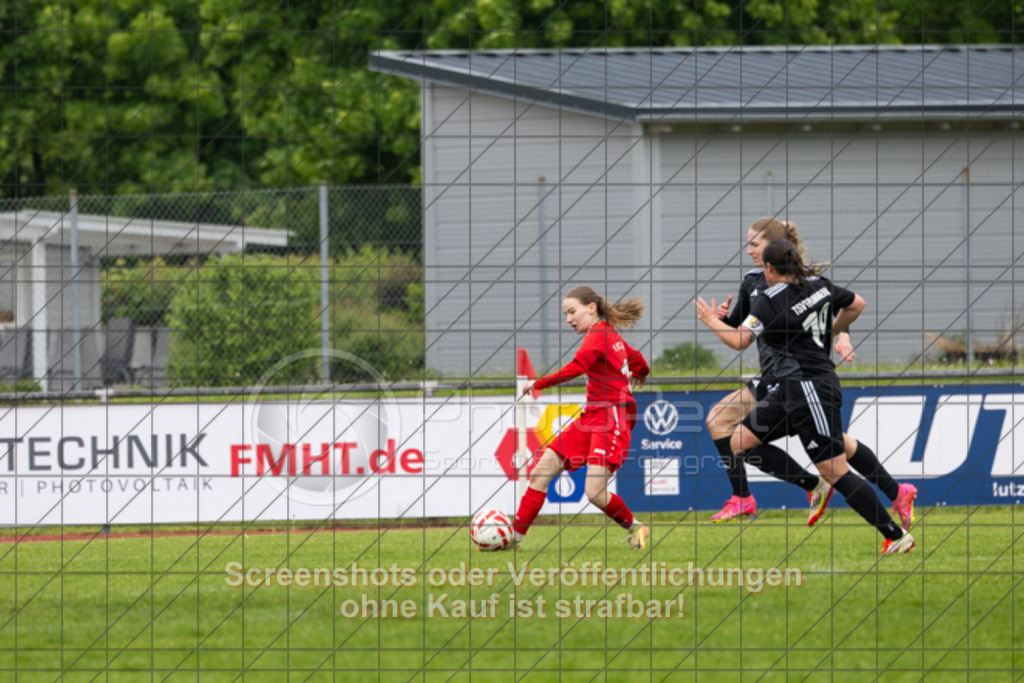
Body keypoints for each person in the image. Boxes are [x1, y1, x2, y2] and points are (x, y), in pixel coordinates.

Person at [697, 239, 914, 555]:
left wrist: (710, 320)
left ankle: (895, 536)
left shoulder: (769, 300)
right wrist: (828, 332)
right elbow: (857, 304)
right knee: (738, 442)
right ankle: (816, 485)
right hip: (789, 389)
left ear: (769, 268)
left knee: (836, 471)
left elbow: (739, 340)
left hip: (810, 388)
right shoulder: (820, 285)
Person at [512, 286, 651, 550]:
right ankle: (513, 540)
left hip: (610, 418)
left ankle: (636, 527)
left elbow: (577, 367)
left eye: (572, 311)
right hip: (591, 417)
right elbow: (638, 360)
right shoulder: (609, 335)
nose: (568, 319)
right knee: (541, 473)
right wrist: (641, 372)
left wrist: (540, 382)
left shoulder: (599, 335)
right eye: (565, 314)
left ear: (592, 307)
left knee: (594, 493)